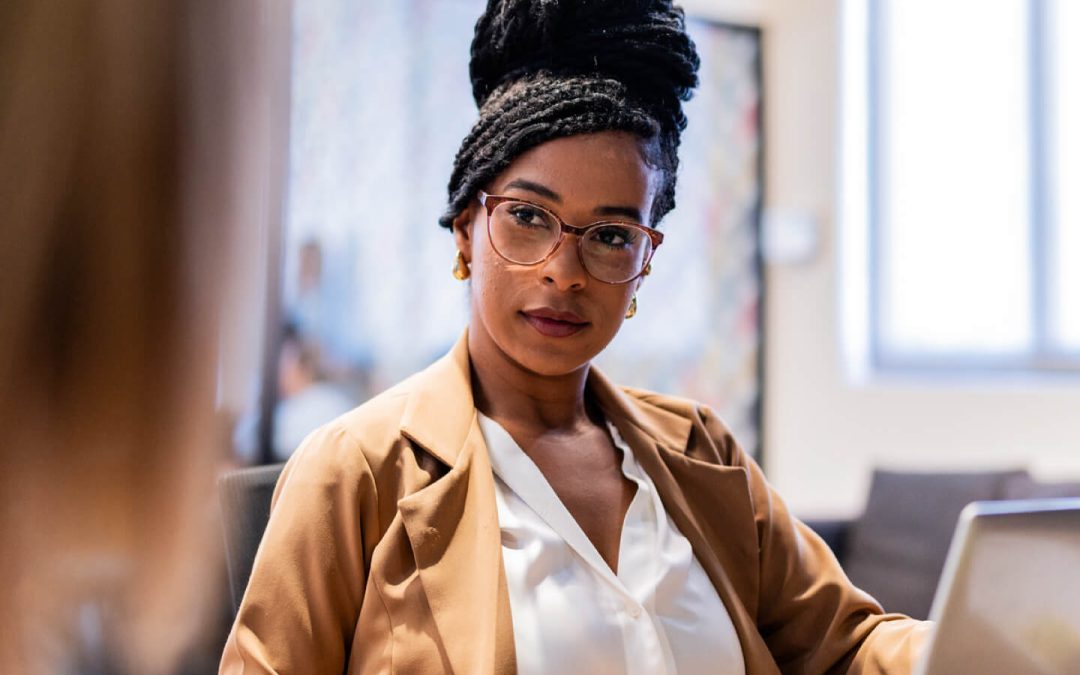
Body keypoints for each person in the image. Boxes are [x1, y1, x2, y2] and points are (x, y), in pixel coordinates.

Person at [221, 1, 930, 673]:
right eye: (529, 216)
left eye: (612, 235)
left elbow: (848, 645)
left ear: (645, 261)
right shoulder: (355, 472)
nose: (565, 273)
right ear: (469, 225)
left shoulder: (697, 452)